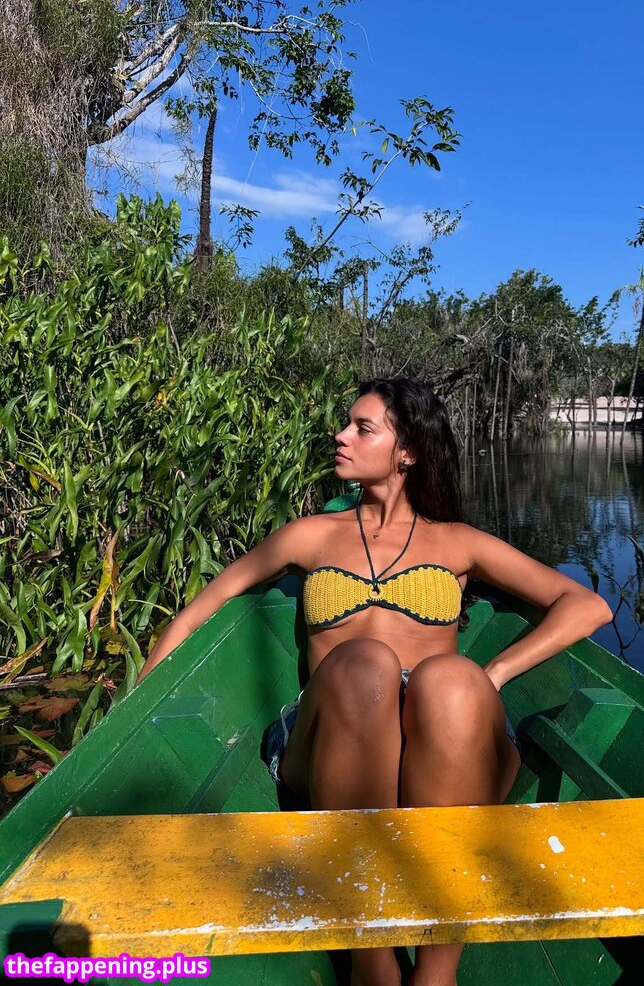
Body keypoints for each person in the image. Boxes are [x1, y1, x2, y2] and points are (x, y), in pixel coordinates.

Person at [136, 376, 612, 986]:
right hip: (334, 732)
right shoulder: (310, 535)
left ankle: (438, 969)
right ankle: (372, 957)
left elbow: (586, 605)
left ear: (406, 451)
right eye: (347, 425)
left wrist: (495, 672)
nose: (341, 436)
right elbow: (197, 612)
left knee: (453, 679)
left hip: (444, 741)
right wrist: (136, 704)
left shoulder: (457, 542)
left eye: (363, 428)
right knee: (367, 665)